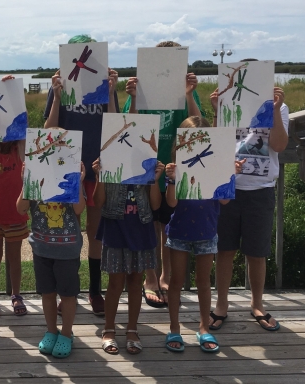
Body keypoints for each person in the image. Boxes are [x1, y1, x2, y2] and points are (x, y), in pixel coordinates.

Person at [209, 61, 289, 332]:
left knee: (257, 253)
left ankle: (257, 303)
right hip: (228, 189)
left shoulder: (282, 109)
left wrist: (275, 110)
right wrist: (216, 110)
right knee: (224, 251)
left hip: (261, 191)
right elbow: (214, 142)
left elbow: (278, 144)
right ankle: (221, 304)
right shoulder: (229, 104)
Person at [123, 41, 204, 308]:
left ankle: (166, 275)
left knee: (168, 226)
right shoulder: (141, 90)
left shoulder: (185, 91)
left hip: (175, 170)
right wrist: (134, 97)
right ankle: (150, 277)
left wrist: (190, 95)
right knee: (148, 224)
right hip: (144, 169)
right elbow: (129, 126)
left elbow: (200, 128)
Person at [44, 34, 119, 315]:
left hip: (97, 166)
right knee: (71, 232)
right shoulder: (59, 85)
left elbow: (115, 123)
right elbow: (49, 129)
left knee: (96, 232)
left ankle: (95, 290)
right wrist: (57, 95)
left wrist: (112, 92)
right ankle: (68, 291)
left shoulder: (103, 84)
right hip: (68, 166)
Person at [164, 116, 245, 353]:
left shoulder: (218, 165)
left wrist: (230, 174)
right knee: (176, 282)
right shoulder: (176, 167)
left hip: (207, 231)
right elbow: (171, 202)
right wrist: (170, 180)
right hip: (179, 230)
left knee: (203, 282)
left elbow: (225, 199)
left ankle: (203, 327)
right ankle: (174, 327)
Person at [92, 157, 163, 355]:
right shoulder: (109, 158)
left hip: (141, 228)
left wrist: (156, 178)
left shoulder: (148, 161)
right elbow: (98, 202)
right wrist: (100, 175)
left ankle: (132, 330)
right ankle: (109, 329)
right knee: (115, 283)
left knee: (135, 281)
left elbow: (155, 205)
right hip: (115, 228)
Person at [16, 162, 86, 358]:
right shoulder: (36, 180)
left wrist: (78, 182)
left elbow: (79, 209)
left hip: (67, 250)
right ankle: (51, 330)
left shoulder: (71, 178)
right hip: (42, 248)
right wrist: (26, 182)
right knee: (47, 293)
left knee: (67, 295)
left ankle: (66, 333)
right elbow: (20, 208)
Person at [0, 75, 29, 318]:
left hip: (15, 213)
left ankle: (16, 294)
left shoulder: (21, 146)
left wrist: (11, 91)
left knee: (14, 258)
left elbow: (21, 117)